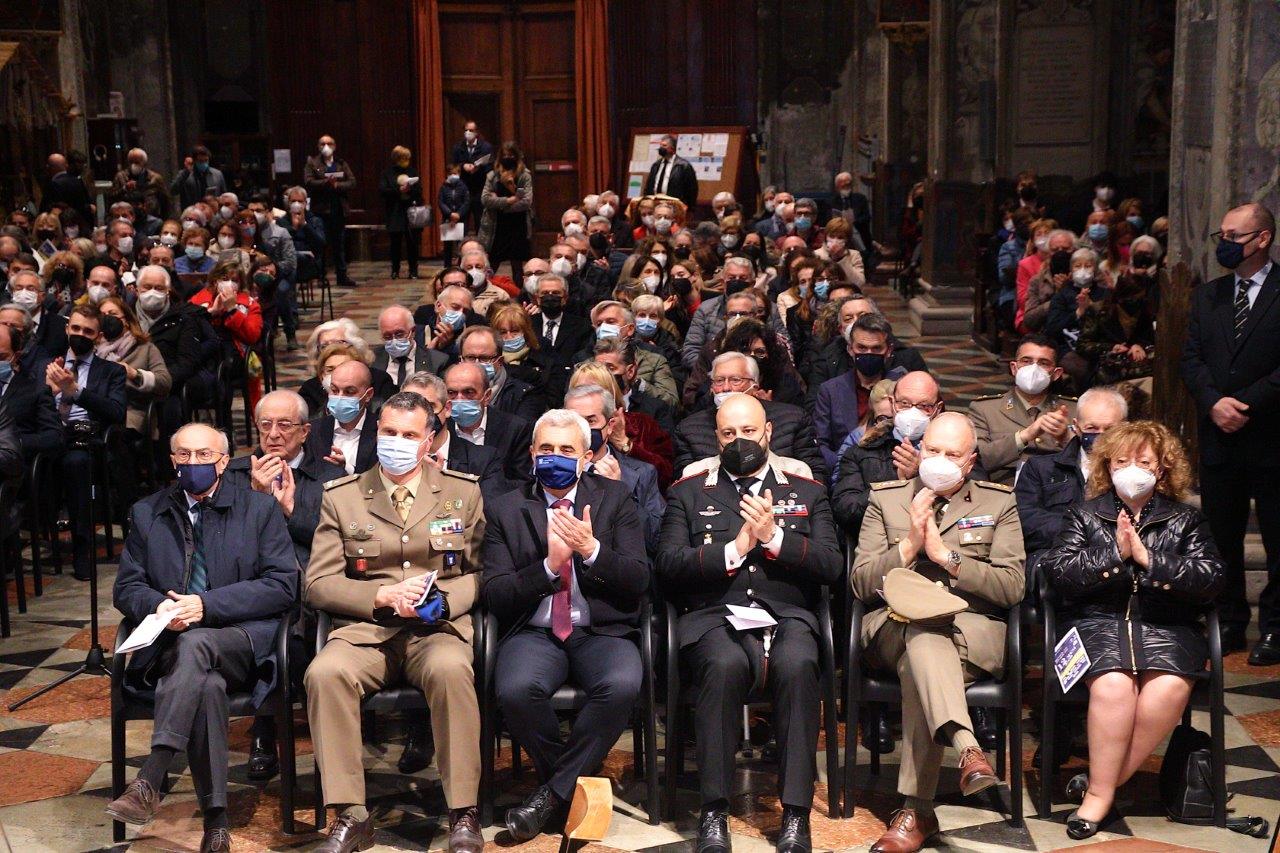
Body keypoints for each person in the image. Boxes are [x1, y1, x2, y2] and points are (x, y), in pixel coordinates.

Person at [657, 393, 842, 853]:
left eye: (748, 431)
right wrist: (736, 548)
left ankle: (796, 814)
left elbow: (831, 566)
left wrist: (775, 538)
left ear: (768, 433)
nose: (740, 440)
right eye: (728, 433)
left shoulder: (808, 491)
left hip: (788, 617)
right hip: (714, 618)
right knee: (723, 667)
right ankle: (714, 812)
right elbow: (668, 565)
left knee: (798, 665)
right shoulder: (687, 491)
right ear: (716, 437)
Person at [303, 391, 484, 853]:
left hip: (434, 630)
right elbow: (318, 583)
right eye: (388, 432)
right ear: (375, 432)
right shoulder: (342, 497)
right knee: (324, 673)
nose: (397, 442)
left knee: (451, 671)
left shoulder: (463, 492)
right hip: (369, 630)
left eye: (408, 435)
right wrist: (378, 595)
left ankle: (463, 811)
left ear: (428, 441)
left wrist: (442, 601)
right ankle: (350, 815)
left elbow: (481, 572)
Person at [107, 423, 296, 853]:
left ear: (224, 461)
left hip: (244, 642)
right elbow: (127, 587)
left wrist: (206, 606)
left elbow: (284, 585)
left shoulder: (259, 509)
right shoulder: (146, 512)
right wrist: (158, 606)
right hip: (174, 647)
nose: (194, 464)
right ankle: (216, 825)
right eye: (185, 456)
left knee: (199, 644)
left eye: (204, 455)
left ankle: (152, 775)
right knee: (205, 683)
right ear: (173, 461)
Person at [1042, 421, 1224, 839]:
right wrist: (1115, 553)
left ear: (1162, 469)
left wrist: (1149, 559)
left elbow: (1211, 577)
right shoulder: (1084, 515)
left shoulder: (1186, 519)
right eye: (1122, 461)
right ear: (1108, 465)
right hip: (1096, 625)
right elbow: (1059, 573)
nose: (1132, 469)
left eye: (1144, 461)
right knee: (1113, 687)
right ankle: (1100, 797)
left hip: (1168, 627)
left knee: (1168, 688)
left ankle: (1102, 782)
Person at [853, 413, 1024, 853]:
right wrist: (909, 545)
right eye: (932, 450)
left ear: (970, 462)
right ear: (918, 448)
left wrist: (945, 556)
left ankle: (916, 811)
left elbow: (1011, 587)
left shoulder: (999, 503)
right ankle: (967, 749)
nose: (939, 460)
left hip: (969, 630)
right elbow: (860, 583)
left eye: (952, 454)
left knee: (922, 655)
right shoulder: (887, 500)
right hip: (891, 625)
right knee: (921, 636)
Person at [483, 408, 650, 840]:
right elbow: (497, 593)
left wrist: (592, 550)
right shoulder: (505, 508)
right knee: (517, 689)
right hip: (535, 630)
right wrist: (547, 567)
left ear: (586, 457)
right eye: (546, 449)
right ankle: (567, 788)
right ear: (533, 453)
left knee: (622, 685)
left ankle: (550, 796)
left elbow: (638, 579)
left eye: (565, 450)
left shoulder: (615, 498)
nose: (554, 457)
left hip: (601, 629)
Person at [223, 389, 346, 781]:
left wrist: (289, 511)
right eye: (266, 425)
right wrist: (257, 504)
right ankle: (263, 731)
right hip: (251, 582)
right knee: (268, 618)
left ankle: (302, 737)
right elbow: (223, 544)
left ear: (305, 432)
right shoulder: (234, 476)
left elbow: (338, 539)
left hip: (311, 580)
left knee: (295, 619)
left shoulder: (330, 477)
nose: (274, 434)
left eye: (285, 425)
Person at [1180, 201, 1280, 662]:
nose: (1224, 244)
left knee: (1278, 539)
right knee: (1222, 536)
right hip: (1219, 436)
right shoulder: (1209, 296)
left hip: (1271, 435)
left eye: (1233, 237)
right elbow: (1191, 358)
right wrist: (1213, 402)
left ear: (1262, 239)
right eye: (1220, 235)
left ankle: (1275, 627)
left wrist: (1247, 404)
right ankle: (1231, 623)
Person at [47, 304, 127, 580]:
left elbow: (117, 412)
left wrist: (76, 392)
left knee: (77, 463)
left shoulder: (111, 371)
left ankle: (82, 548)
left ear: (99, 336)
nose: (80, 334)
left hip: (83, 440)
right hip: (47, 436)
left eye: (88, 331)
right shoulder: (48, 364)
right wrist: (49, 391)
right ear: (67, 329)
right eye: (76, 328)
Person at [1015, 386, 1128, 561]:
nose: (1102, 435)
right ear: (1076, 426)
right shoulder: (1040, 468)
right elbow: (1026, 521)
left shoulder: (1136, 473)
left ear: (1125, 428)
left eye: (1110, 429)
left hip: (1117, 565)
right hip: (1056, 563)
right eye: (1092, 427)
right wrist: (1087, 530)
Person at [675, 353, 827, 479]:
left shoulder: (793, 419)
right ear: (711, 387)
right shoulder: (689, 429)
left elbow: (815, 475)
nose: (726, 387)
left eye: (736, 380)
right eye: (719, 381)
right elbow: (685, 489)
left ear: (755, 386)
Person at [564, 383, 665, 554]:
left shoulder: (642, 473)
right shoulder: (551, 468)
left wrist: (621, 492)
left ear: (610, 425)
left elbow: (656, 539)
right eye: (574, 421)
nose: (582, 429)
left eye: (590, 421)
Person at [968, 335, 1077, 485]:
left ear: (1056, 374)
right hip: (1003, 495)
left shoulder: (1074, 410)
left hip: (1059, 493)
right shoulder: (984, 409)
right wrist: (1025, 436)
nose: (1034, 368)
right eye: (1026, 361)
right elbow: (978, 459)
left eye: (1043, 363)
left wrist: (1066, 438)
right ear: (1014, 368)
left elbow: (1092, 461)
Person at [403, 371, 510, 505]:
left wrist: (442, 484)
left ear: (447, 408)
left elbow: (489, 517)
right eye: (411, 407)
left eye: (429, 406)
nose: (420, 415)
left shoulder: (484, 460)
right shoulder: (387, 456)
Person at [446, 361, 533, 487]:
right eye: (452, 393)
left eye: (469, 392)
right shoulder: (439, 428)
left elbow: (521, 483)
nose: (459, 399)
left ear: (487, 396)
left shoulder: (514, 429)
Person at [0, 319, 63, 461]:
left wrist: (12, 442)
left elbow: (54, 437)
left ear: (15, 356)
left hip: (12, 469)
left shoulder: (35, 389)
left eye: (1, 357)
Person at [305, 359, 378, 476]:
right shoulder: (313, 430)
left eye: (349, 392)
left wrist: (346, 469)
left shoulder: (382, 431)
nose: (339, 397)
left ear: (368, 395)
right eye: (334, 390)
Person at [459, 325, 545, 422]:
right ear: (461, 360)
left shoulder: (524, 396)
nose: (477, 364)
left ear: (500, 361)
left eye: (484, 358)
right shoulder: (450, 392)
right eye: (470, 357)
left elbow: (519, 433)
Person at [305, 134, 358, 287]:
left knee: (339, 244)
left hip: (338, 210)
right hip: (321, 210)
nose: (326, 146)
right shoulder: (312, 162)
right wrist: (326, 183)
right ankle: (321, 277)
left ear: (334, 146)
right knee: (321, 244)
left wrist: (337, 186)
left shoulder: (341, 163)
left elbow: (352, 182)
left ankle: (342, 275)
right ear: (318, 146)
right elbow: (308, 181)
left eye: (329, 143)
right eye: (322, 143)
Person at [478, 141, 534, 278]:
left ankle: (521, 296)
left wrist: (503, 206)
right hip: (497, 225)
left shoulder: (524, 175)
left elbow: (526, 202)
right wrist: (509, 200)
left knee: (517, 265)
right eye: (505, 155)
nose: (508, 158)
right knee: (493, 263)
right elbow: (485, 199)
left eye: (511, 155)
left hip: (518, 225)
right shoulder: (492, 176)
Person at [373, 304, 448, 389]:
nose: (394, 340)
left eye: (399, 334)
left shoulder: (437, 361)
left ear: (413, 331)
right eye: (387, 336)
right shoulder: (372, 360)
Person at [381, 145, 424, 280]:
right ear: (396, 158)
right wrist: (399, 190)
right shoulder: (387, 173)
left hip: (410, 211)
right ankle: (395, 270)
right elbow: (383, 190)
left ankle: (413, 270)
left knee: (412, 243)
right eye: (403, 158)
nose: (406, 160)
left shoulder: (412, 171)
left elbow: (419, 190)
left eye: (407, 158)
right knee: (395, 244)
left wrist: (409, 190)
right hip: (395, 212)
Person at [8, 268, 68, 361]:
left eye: (30, 289)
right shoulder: (3, 321)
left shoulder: (60, 326)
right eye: (19, 288)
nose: (24, 293)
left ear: (42, 296)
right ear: (13, 293)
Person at [451, 120, 494, 234]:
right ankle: (462, 249)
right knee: (461, 221)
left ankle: (479, 249)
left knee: (480, 220)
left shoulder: (486, 147)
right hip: (463, 189)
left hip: (479, 188)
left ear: (476, 133)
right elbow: (452, 165)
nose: (468, 133)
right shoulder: (457, 147)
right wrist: (462, 166)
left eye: (471, 130)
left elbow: (490, 167)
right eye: (466, 130)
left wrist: (478, 168)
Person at [108, 148, 171, 221]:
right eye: (131, 162)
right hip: (126, 218)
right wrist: (124, 189)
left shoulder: (155, 178)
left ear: (144, 163)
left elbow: (165, 201)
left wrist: (164, 219)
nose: (133, 165)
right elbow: (111, 197)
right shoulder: (120, 177)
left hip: (150, 218)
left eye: (137, 162)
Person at [643, 134, 698, 210]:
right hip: (655, 205)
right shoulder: (656, 165)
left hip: (675, 207)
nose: (661, 148)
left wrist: (689, 208)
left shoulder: (683, 166)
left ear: (672, 148)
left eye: (664, 146)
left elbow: (692, 190)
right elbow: (649, 186)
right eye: (660, 146)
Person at [43, 153, 95, 225]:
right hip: (80, 224)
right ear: (66, 165)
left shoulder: (53, 184)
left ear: (49, 167)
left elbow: (46, 208)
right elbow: (86, 205)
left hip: (62, 224)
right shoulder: (78, 181)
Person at [438, 165, 471, 268]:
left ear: (459, 174)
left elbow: (466, 202)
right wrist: (449, 213)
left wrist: (459, 214)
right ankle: (447, 267)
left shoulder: (464, 186)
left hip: (461, 219)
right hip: (447, 219)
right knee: (448, 246)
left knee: (461, 245)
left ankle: (462, 266)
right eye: (450, 173)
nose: (453, 175)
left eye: (455, 173)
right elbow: (440, 202)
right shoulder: (443, 187)